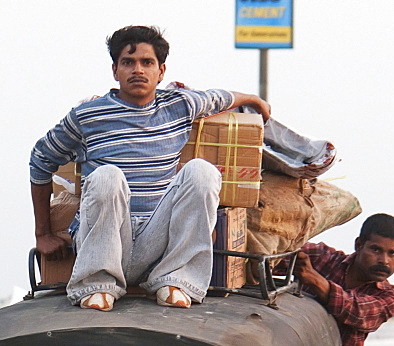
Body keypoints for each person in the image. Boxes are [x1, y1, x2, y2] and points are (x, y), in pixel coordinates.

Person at [30, 25, 270, 312]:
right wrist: (42, 234)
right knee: (108, 175)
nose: (138, 70)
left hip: (157, 239)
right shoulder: (87, 116)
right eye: (128, 62)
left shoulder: (179, 105)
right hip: (106, 238)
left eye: (147, 63)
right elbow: (40, 160)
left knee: (201, 172)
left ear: (161, 71)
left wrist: (255, 100)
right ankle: (95, 286)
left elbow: (220, 97)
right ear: (115, 70)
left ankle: (177, 281)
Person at [294, 214, 394, 346]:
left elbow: (358, 311)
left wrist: (315, 280)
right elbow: (276, 253)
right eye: (376, 250)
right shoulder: (322, 258)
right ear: (358, 245)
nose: (384, 261)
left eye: (393, 253)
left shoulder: (389, 297)